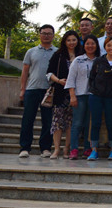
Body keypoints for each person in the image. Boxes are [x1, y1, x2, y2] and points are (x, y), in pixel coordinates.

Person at [18, 24, 56, 158]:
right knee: (28, 119)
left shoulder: (57, 52)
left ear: (53, 36)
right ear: (39, 35)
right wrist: (22, 89)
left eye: (49, 33)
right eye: (44, 33)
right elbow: (25, 71)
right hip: (32, 89)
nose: (46, 36)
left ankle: (45, 148)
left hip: (49, 91)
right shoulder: (31, 51)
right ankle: (24, 148)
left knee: (48, 121)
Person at [46, 30, 81, 159]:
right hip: (60, 92)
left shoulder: (81, 55)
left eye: (74, 40)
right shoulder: (58, 55)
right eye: (68, 40)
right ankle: (56, 149)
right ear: (64, 42)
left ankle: (67, 149)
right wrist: (58, 80)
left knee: (71, 123)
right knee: (57, 122)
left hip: (77, 93)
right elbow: (49, 73)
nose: (71, 43)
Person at [66, 35, 98, 160]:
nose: (90, 46)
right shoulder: (78, 60)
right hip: (79, 95)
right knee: (77, 123)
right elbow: (71, 79)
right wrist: (72, 95)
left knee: (89, 124)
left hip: (93, 96)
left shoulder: (99, 60)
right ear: (84, 46)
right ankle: (74, 149)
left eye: (93, 43)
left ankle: (87, 149)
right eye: (87, 44)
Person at [88, 37, 112, 160]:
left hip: (111, 97)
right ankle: (94, 150)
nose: (111, 48)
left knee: (111, 123)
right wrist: (94, 89)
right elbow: (92, 77)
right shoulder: (99, 61)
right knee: (95, 123)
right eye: (108, 45)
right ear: (105, 47)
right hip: (96, 96)